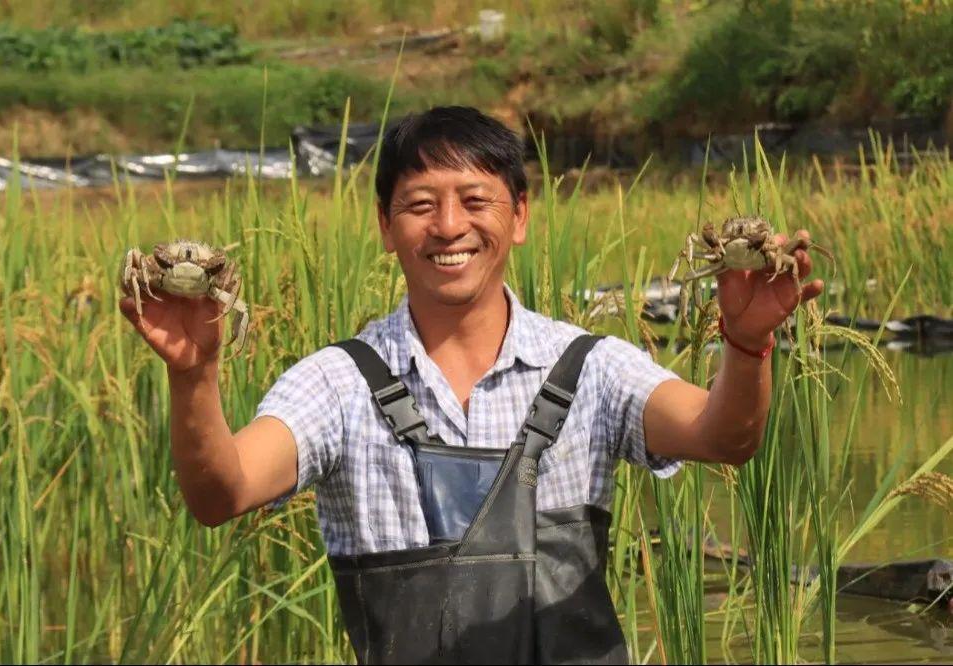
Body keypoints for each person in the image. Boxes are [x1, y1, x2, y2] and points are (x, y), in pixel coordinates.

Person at [120, 106, 823, 665]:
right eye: (420, 203)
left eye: (473, 199)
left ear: (518, 216)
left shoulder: (590, 367)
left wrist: (747, 343)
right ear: (385, 227)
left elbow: (722, 438)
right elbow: (222, 493)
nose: (449, 226)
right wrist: (194, 375)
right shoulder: (337, 383)